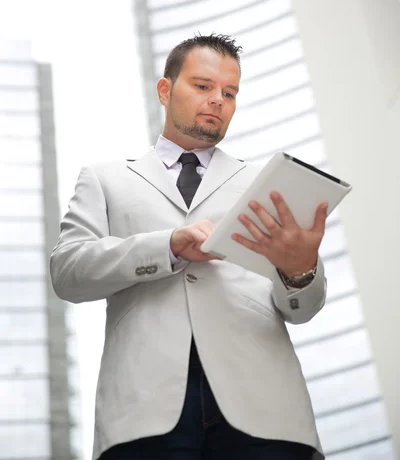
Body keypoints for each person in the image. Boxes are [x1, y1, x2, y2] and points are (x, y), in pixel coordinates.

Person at [50, 34, 328, 460]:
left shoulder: (268, 183)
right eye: (203, 86)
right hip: (144, 409)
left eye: (229, 93)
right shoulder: (104, 178)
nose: (218, 100)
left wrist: (300, 269)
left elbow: (303, 309)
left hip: (266, 408)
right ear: (166, 90)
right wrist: (169, 247)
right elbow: (68, 273)